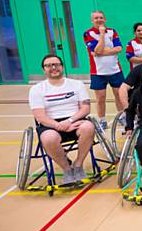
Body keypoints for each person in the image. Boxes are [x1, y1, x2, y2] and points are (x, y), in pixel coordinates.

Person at [29, 54, 95, 184]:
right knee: (49, 138)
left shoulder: (77, 84)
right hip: (50, 123)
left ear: (62, 67)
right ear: (44, 69)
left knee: (88, 127)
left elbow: (85, 109)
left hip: (74, 119)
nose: (53, 68)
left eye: (56, 64)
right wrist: (58, 126)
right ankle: (67, 169)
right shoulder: (36, 89)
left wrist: (69, 121)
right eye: (49, 65)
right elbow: (39, 115)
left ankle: (78, 164)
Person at [83, 10, 125, 130]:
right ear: (92, 20)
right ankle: (102, 120)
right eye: (96, 18)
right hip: (98, 72)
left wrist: (101, 51)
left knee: (119, 95)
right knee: (101, 98)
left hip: (115, 70)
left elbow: (119, 48)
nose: (99, 20)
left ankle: (122, 116)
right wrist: (101, 35)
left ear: (105, 19)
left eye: (101, 17)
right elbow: (96, 50)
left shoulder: (112, 31)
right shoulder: (88, 33)